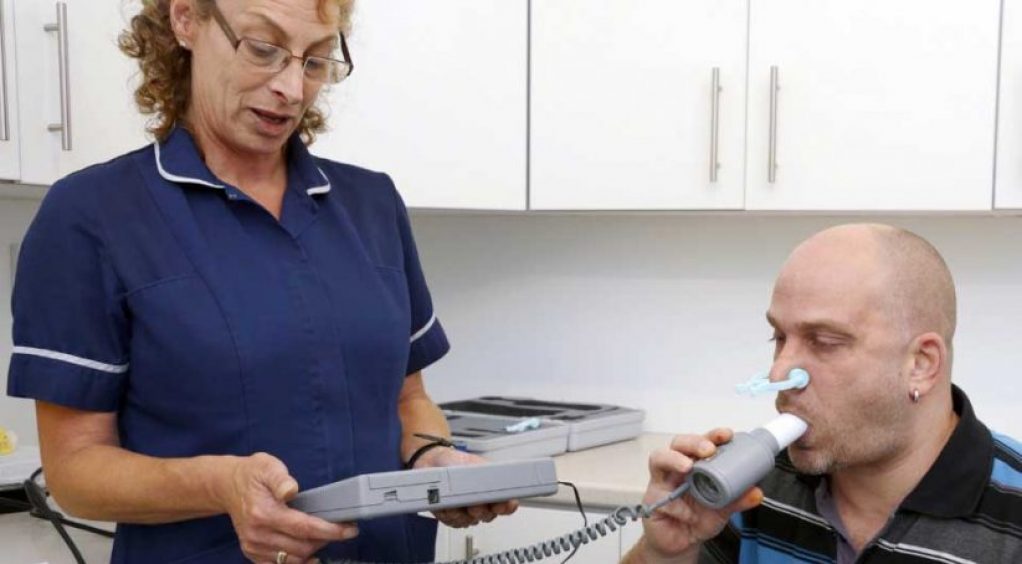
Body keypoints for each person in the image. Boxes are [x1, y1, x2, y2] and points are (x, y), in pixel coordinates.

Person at [5, 1, 515, 562]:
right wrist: (222, 485)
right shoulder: (92, 215)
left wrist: (434, 459)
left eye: (317, 60)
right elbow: (75, 471)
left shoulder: (371, 205)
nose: (292, 88)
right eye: (264, 49)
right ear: (186, 20)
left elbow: (407, 399)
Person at [623, 224, 1022, 563]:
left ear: (920, 363)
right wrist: (666, 553)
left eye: (825, 342)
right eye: (779, 337)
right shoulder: (752, 489)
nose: (780, 371)